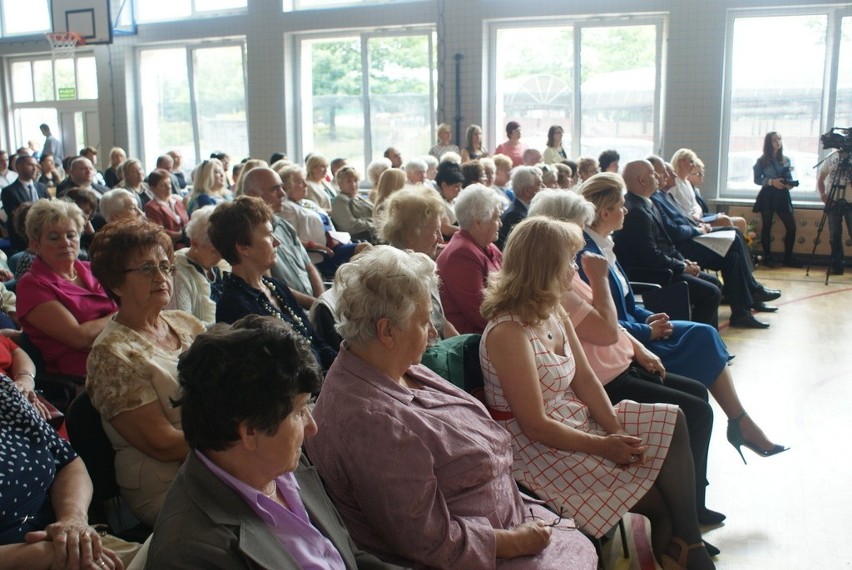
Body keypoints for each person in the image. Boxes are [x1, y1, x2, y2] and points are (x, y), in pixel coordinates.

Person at [305, 246, 598, 569]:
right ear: (387, 331)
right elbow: (428, 540)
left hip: (511, 515)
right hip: (479, 556)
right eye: (422, 321)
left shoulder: (395, 366)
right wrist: (515, 542)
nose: (432, 332)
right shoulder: (370, 422)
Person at [480, 216, 715, 569]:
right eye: (568, 261)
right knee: (652, 494)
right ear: (544, 267)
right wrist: (604, 445)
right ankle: (682, 547)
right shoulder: (508, 332)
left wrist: (615, 430)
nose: (573, 269)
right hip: (534, 448)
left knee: (674, 417)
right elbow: (535, 426)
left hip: (569, 420)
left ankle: (684, 542)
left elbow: (586, 380)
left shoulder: (553, 310)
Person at [527, 188, 722, 528]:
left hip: (620, 364)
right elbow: (603, 331)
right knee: (695, 411)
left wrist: (638, 346)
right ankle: (686, 514)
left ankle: (692, 502)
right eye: (577, 227)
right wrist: (600, 280)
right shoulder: (560, 280)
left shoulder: (572, 267)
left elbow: (615, 323)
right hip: (609, 380)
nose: (582, 237)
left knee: (697, 395)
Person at [145, 315, 401, 569]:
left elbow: (348, 558)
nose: (312, 427)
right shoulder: (190, 553)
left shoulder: (281, 462)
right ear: (251, 432)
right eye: (299, 412)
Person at [579, 175, 787, 465]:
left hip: (636, 329)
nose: (625, 210)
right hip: (624, 343)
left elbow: (626, 303)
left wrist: (648, 316)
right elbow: (604, 320)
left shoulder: (604, 245)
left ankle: (739, 421)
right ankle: (740, 422)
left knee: (703, 334)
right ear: (604, 213)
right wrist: (647, 331)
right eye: (620, 206)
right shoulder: (587, 255)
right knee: (702, 339)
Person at [87, 219, 205, 527]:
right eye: (146, 269)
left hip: (216, 459)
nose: (161, 276)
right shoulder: (111, 353)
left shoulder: (185, 323)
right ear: (115, 283)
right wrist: (239, 438)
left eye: (165, 266)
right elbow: (163, 445)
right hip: (168, 484)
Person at [0, 378, 127, 570]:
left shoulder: (3, 389)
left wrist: (72, 519)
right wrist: (40, 554)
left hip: (67, 542)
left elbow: (68, 462)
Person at [647, 157, 780, 329]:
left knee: (733, 257)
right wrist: (697, 230)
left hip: (692, 237)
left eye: (668, 172)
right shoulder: (656, 199)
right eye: (663, 172)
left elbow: (684, 220)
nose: (667, 175)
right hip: (686, 247)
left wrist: (698, 225)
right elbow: (673, 231)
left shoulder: (665, 196)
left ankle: (742, 312)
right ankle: (753, 290)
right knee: (734, 235)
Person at [209, 196, 337, 373]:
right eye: (269, 235)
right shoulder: (234, 305)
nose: (277, 242)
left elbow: (316, 341)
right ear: (243, 247)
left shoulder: (274, 286)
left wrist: (343, 369)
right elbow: (272, 374)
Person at [613, 160, 723, 329]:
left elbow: (667, 243)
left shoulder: (646, 203)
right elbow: (650, 256)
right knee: (710, 292)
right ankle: (697, 342)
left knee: (715, 283)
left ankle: (710, 341)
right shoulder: (635, 211)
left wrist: (684, 261)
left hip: (666, 267)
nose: (657, 176)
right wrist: (681, 266)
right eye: (652, 173)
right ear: (642, 180)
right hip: (653, 273)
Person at [16, 200, 117, 380]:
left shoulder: (91, 269)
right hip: (86, 374)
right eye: (54, 238)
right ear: (35, 244)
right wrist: (121, 315)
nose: (65, 243)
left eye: (71, 235)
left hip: (122, 351)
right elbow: (78, 338)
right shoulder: (32, 284)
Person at [241, 167, 325, 308]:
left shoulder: (284, 226)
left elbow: (309, 267)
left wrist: (322, 301)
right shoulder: (248, 235)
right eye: (275, 189)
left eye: (282, 187)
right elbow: (268, 284)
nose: (283, 194)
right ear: (253, 195)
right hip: (289, 309)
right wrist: (316, 305)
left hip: (313, 307)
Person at [436, 183, 503, 334]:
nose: (501, 223)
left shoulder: (488, 246)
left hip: (496, 331)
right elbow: (483, 313)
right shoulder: (461, 254)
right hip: (475, 344)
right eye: (496, 218)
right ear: (478, 222)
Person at [278, 164, 364, 276]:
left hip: (334, 246)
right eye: (300, 182)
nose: (306, 184)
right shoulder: (286, 207)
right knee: (366, 249)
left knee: (367, 249)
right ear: (287, 186)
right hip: (320, 255)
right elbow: (289, 238)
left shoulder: (307, 203)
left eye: (304, 180)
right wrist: (317, 246)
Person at [165, 206, 223, 325]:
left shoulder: (221, 265)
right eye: (214, 251)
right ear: (194, 243)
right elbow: (183, 326)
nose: (221, 256)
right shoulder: (177, 272)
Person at [752, 132, 801, 268]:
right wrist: (771, 181)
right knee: (767, 226)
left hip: (782, 194)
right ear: (769, 143)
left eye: (779, 139)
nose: (778, 142)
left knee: (791, 227)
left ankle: (788, 257)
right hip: (768, 194)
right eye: (774, 140)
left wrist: (789, 184)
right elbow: (757, 179)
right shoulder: (762, 160)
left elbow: (789, 176)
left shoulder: (786, 159)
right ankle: (767, 257)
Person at [2, 154, 50, 251]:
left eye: (36, 166)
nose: (35, 168)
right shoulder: (9, 191)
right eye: (31, 165)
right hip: (22, 237)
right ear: (19, 166)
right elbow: (16, 216)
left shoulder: (41, 187)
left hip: (45, 231)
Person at [817, 146, 852, 275]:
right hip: (833, 201)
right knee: (834, 235)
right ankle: (837, 266)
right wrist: (823, 195)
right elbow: (821, 178)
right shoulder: (831, 156)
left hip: (851, 202)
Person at [497, 165, 543, 249]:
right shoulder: (514, 216)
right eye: (539, 185)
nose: (543, 188)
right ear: (527, 191)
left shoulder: (524, 209)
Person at [143, 169, 189, 248]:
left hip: (187, 242)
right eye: (163, 185)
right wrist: (184, 235)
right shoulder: (151, 207)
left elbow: (187, 222)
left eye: (169, 183)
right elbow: (160, 233)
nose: (168, 187)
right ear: (153, 189)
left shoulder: (177, 201)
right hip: (171, 247)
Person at [331, 165, 376, 242]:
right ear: (340, 184)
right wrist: (374, 224)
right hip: (360, 239)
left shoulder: (358, 196)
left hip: (373, 233)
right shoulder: (340, 200)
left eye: (355, 180)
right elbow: (350, 226)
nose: (353, 184)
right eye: (349, 181)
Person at [434, 160, 464, 238]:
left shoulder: (455, 200)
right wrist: (471, 232)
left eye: (460, 186)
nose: (459, 189)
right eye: (456, 186)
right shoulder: (439, 203)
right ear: (444, 185)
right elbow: (446, 229)